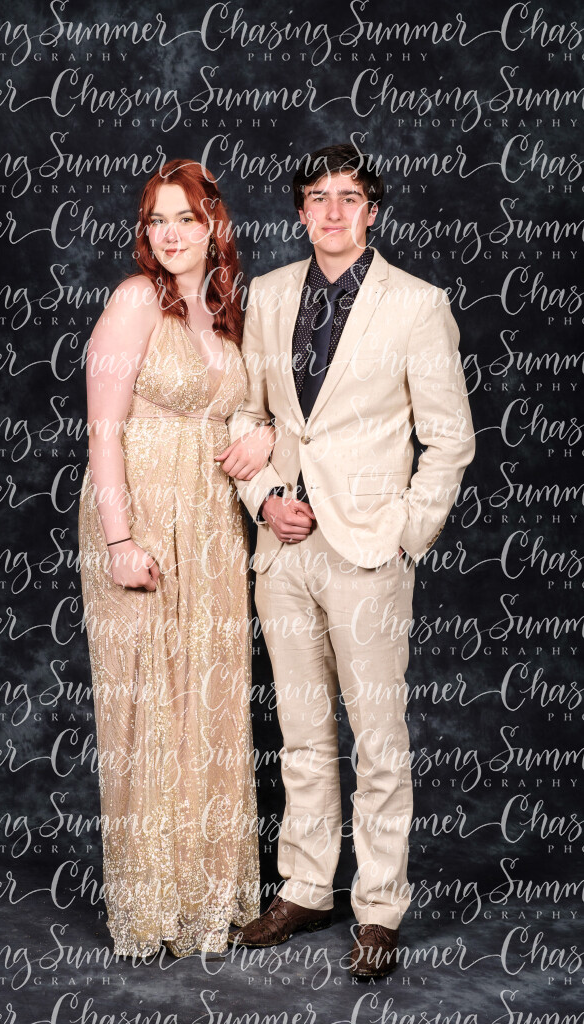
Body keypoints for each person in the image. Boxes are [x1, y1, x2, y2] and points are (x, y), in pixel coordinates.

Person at [227, 143, 475, 977]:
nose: (331, 212)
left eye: (347, 197)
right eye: (317, 198)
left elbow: (449, 440)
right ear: (300, 212)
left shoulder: (416, 304)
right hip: (284, 546)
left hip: (369, 549)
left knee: (377, 741)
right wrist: (264, 496)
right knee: (300, 736)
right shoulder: (267, 296)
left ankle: (377, 908)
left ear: (371, 210)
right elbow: (244, 415)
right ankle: (304, 888)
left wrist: (406, 532)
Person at [78, 159, 272, 958]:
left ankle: (206, 899)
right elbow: (102, 431)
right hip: (143, 519)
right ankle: (153, 905)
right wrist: (120, 540)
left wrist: (265, 434)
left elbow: (254, 410)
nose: (169, 234)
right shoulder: (134, 301)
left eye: (185, 218)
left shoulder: (227, 311)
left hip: (215, 527)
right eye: (156, 220)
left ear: (212, 226)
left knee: (209, 706)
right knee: (150, 710)